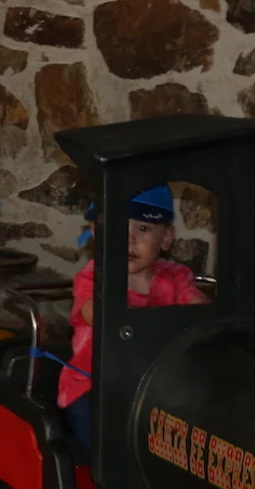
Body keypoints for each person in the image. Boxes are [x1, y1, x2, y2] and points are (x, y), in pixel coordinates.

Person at [58, 185, 209, 452]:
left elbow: (200, 310)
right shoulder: (93, 277)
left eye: (143, 228)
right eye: (118, 227)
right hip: (96, 385)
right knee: (111, 447)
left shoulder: (177, 276)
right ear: (97, 233)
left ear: (166, 237)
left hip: (155, 385)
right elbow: (97, 315)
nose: (129, 240)